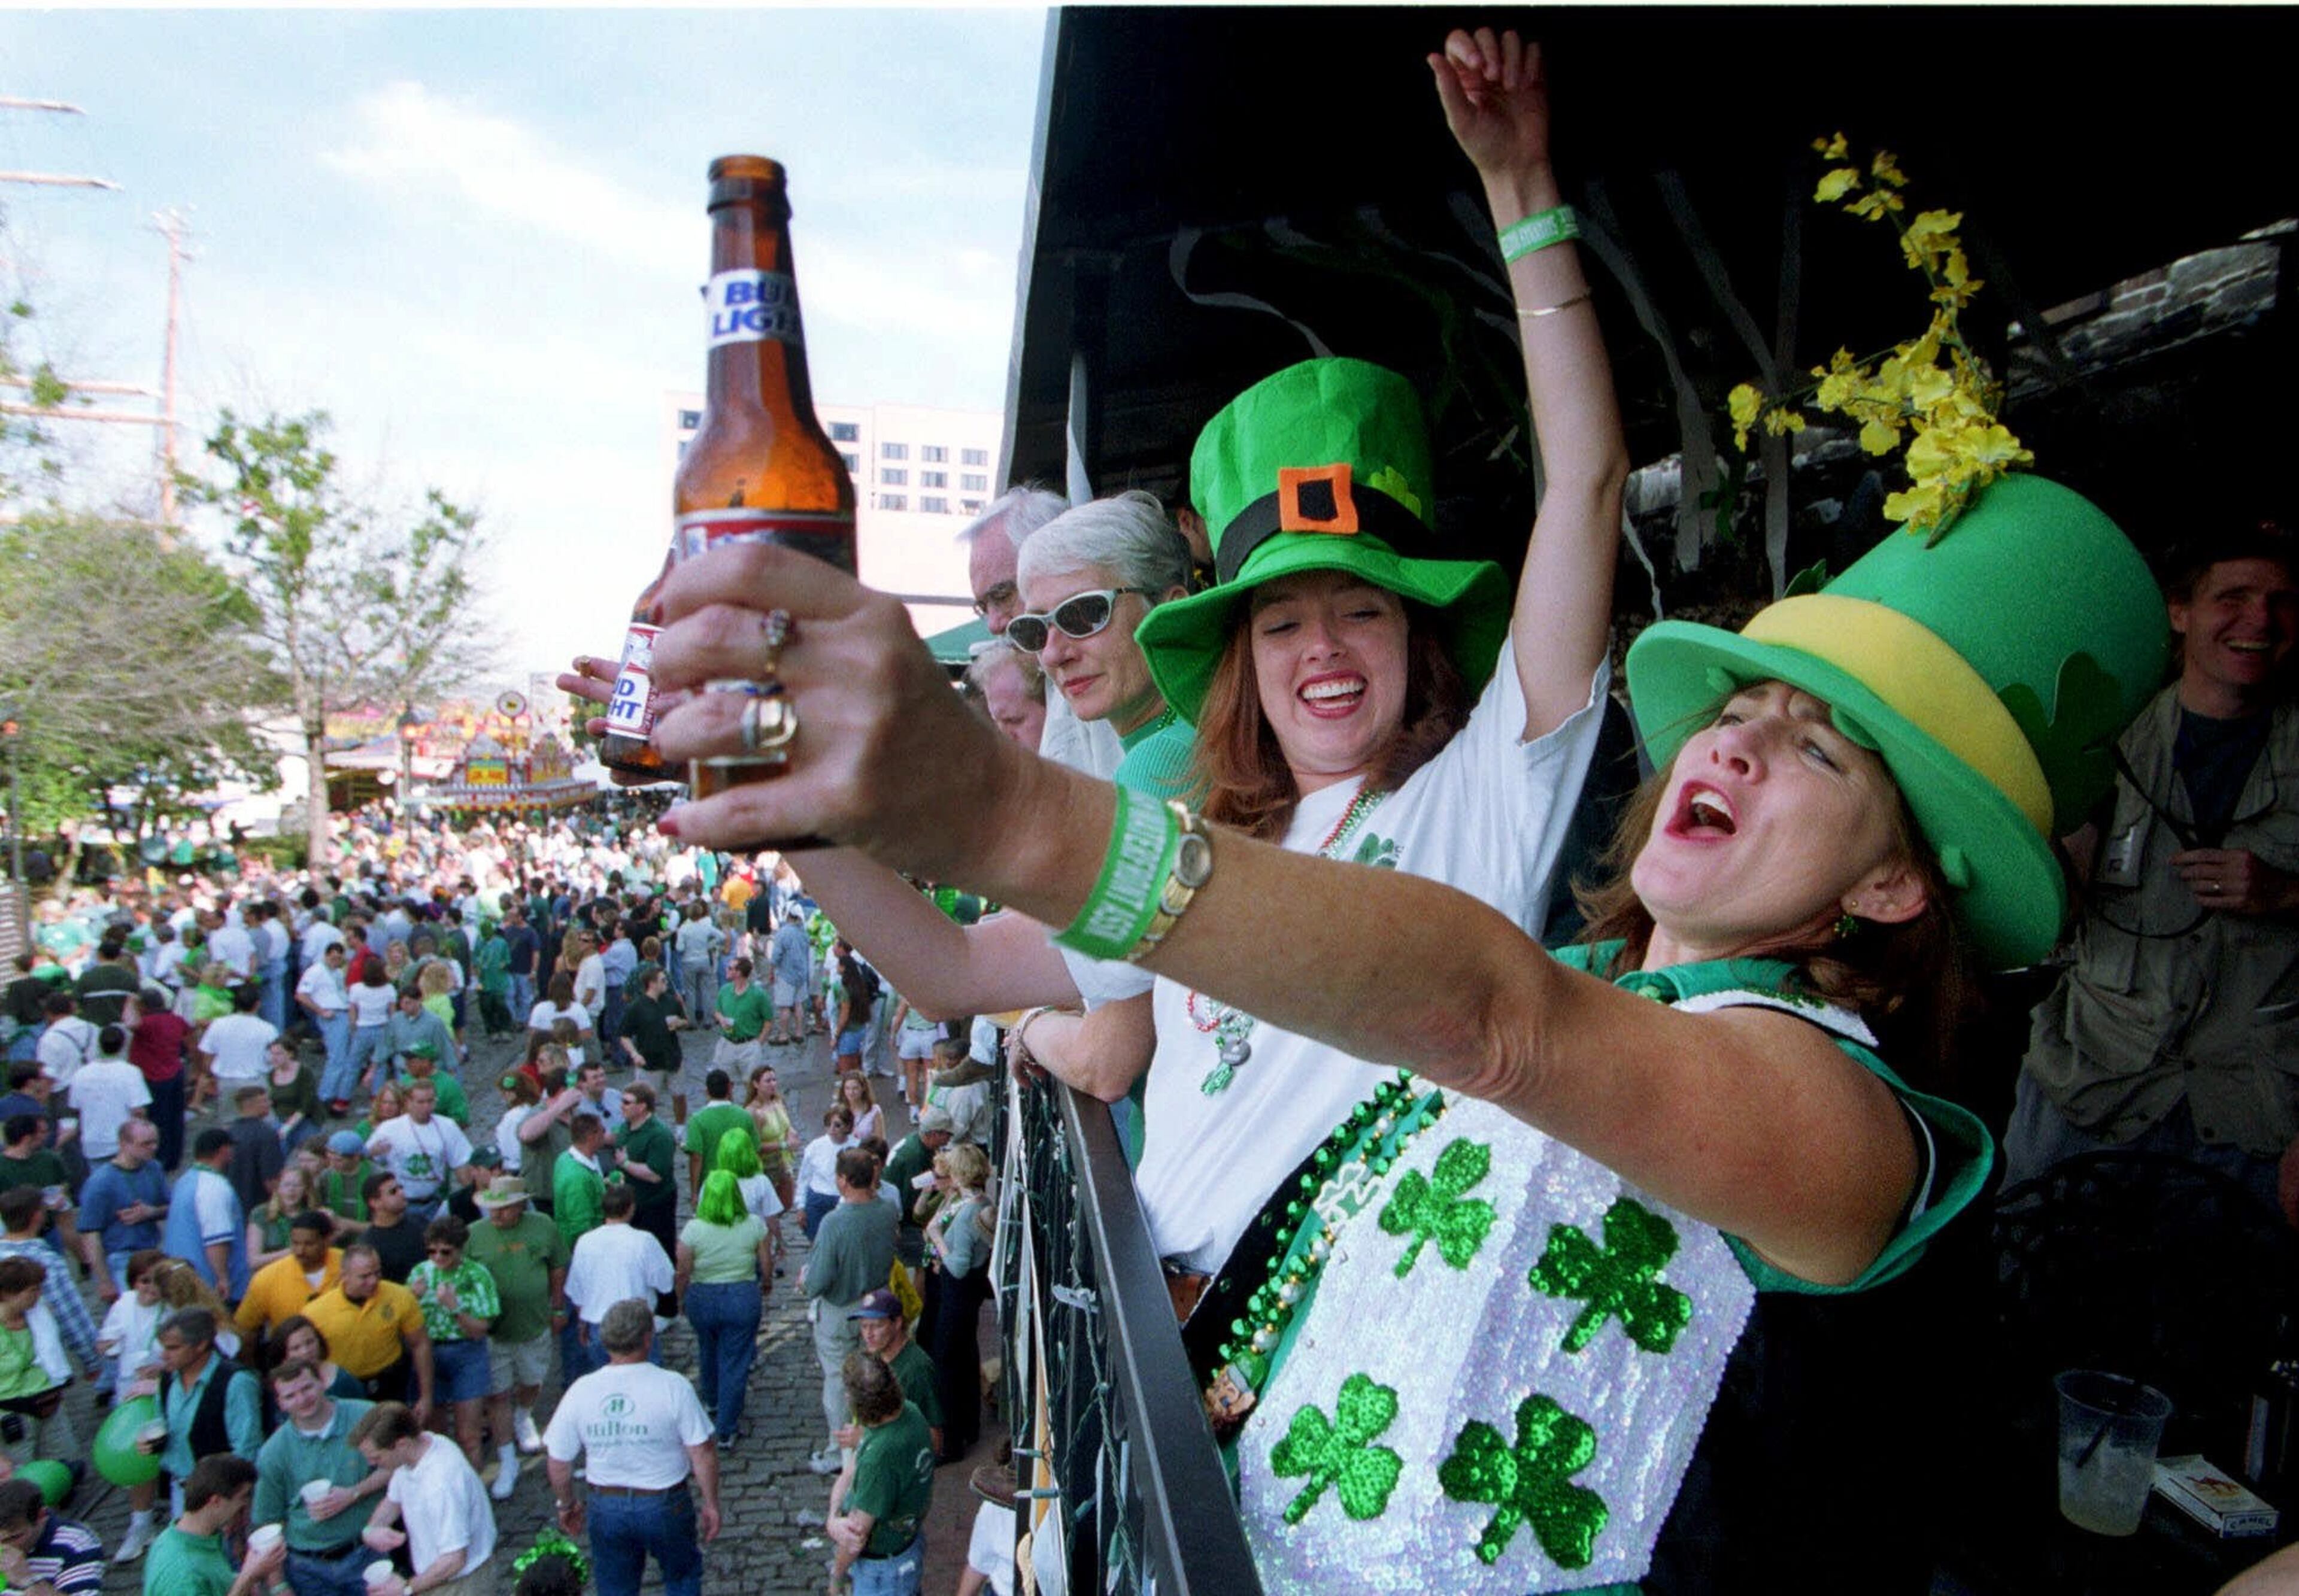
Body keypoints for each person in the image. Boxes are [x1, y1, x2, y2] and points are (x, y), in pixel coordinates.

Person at [623, 28, 2177, 1586]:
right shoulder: (1593, 976)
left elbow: (1490, 1012)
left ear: (1901, 888)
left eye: (1823, 754)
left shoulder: (1837, 1112)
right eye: (1746, 710)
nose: (1742, 749)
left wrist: (996, 810)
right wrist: (786, 806)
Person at [2010, 523, 2299, 1215]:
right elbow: (2057, 907)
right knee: (2041, 1285)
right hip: (2095, 1080)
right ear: (2180, 611)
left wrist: (2286, 892)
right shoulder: (2104, 738)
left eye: (2283, 601)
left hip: (2252, 1106)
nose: (2259, 620)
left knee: (2222, 1312)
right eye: (2233, 596)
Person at [542, 1297, 720, 1596]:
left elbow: (559, 1460)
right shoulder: (673, 1386)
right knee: (682, 1577)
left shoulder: (582, 1390)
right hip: (664, 1501)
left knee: (615, 1587)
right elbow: (701, 1451)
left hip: (606, 1504)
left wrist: (567, 1504)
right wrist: (711, 1502)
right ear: (648, 1338)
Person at [253, 1357, 387, 1596]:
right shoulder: (273, 1452)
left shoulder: (364, 1415)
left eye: (307, 1388)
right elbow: (268, 1522)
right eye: (290, 1396)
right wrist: (278, 1585)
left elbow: (399, 1466)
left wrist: (353, 1494)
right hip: (306, 1566)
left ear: (323, 1382)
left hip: (365, 1552)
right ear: (280, 1403)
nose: (302, 1400)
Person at [464, 1176, 565, 1491]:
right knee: (497, 1393)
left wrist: (558, 1307)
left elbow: (558, 1266)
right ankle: (507, 1458)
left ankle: (524, 1414)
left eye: (504, 1209)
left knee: (532, 1380)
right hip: (494, 1332)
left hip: (533, 1324)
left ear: (521, 1205)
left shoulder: (543, 1226)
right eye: (492, 1209)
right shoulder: (474, 1235)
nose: (496, 1215)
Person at [803, 1148, 898, 1476]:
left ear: (843, 1180)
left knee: (838, 1381)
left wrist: (806, 1281)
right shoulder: (887, 1211)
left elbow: (817, 1280)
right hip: (876, 1305)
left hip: (840, 1310)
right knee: (871, 1375)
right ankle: (870, 1435)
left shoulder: (834, 1223)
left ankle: (839, 1450)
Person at [352, 1400, 498, 1596]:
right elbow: (393, 1501)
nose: (372, 1464)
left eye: (377, 1458)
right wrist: (372, 1529)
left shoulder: (442, 1482)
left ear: (401, 1443)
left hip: (462, 1585)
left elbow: (454, 1560)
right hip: (437, 1578)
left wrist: (405, 1589)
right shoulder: (416, 1451)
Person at [826, 1351, 933, 1596]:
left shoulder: (879, 1459)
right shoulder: (910, 1412)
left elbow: (856, 1536)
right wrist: (833, 1516)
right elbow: (853, 1467)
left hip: (883, 1573)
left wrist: (837, 1578)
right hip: (907, 1549)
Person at [674, 1171, 768, 1447]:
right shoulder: (754, 1225)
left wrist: (680, 1299)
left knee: (707, 1348)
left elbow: (683, 1272)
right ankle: (726, 1427)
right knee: (735, 1361)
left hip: (703, 1296)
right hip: (741, 1296)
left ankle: (712, 1399)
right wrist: (767, 1284)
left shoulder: (693, 1229)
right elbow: (765, 1263)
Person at [405, 1215, 499, 1472]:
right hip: (428, 1353)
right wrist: (411, 1298)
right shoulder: (419, 1274)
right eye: (431, 1251)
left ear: (460, 1249)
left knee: (469, 1436)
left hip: (467, 1354)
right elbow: (404, 1321)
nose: (437, 1257)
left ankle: (474, 1490)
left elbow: (481, 1330)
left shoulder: (477, 1275)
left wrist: (455, 1308)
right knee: (436, 1437)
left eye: (445, 1252)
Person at [916, 1142, 991, 1463]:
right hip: (966, 1293)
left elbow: (958, 1266)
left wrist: (936, 1239)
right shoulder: (976, 1201)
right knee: (964, 1356)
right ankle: (969, 1426)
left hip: (958, 1292)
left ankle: (951, 1442)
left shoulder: (968, 1214)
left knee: (947, 1362)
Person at [302, 1243, 435, 1418]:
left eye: (377, 1273)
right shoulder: (316, 1312)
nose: (373, 1281)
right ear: (345, 1276)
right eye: (364, 1277)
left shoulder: (400, 1296)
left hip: (390, 1383)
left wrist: (426, 1397)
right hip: (343, 1388)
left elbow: (420, 1345)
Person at [561, 1184, 672, 1382]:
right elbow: (666, 1283)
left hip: (598, 1325)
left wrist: (581, 1324)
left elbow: (577, 1292)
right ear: (631, 1208)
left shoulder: (585, 1241)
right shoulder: (644, 1241)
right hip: (637, 1326)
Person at [151, 1307, 263, 1496]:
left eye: (173, 1348)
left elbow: (247, 1450)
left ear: (201, 1345)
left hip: (222, 1493)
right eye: (164, 1348)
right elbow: (163, 1423)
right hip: (180, 1488)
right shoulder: (168, 1379)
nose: (164, 1355)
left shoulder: (235, 1382)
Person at [141, 1454, 284, 1596]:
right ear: (216, 1501)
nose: (246, 1506)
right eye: (243, 1497)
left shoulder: (180, 1538)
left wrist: (236, 1581)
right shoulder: (184, 1576)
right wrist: (247, 1578)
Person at [841, 1287, 942, 1462]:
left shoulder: (917, 1369)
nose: (868, 1335)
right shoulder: (874, 1356)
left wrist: (866, 1439)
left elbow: (934, 1441)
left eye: (877, 1326)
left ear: (897, 1323)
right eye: (864, 1326)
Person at [75, 1116, 167, 1304]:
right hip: (120, 1259)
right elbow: (90, 1235)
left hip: (151, 1253)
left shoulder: (154, 1169)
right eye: (146, 1144)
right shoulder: (101, 1183)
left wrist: (152, 1212)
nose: (153, 1148)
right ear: (124, 1144)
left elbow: (170, 1207)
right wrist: (104, 1281)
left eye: (155, 1142)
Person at [366, 1079, 472, 1222]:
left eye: (430, 1101)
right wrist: (372, 1153)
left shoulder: (447, 1127)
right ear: (408, 1102)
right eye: (420, 1102)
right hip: (401, 1205)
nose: (426, 1107)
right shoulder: (389, 1129)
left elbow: (463, 1165)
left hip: (433, 1202)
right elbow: (366, 1162)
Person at [163, 1127, 250, 1301]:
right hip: (209, 1285)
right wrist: (223, 1278)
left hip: (184, 1278)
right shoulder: (214, 1187)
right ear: (224, 1151)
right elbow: (216, 1239)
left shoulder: (185, 1180)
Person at [607, 1082, 677, 1282]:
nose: (622, 1106)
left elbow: (655, 1174)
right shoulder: (625, 1128)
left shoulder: (659, 1134)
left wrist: (626, 1164)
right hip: (631, 1204)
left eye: (627, 1102)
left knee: (660, 1251)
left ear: (643, 1106)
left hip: (655, 1206)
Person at [234, 1209, 340, 1340]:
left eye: (309, 1244)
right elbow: (243, 1329)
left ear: (327, 1241)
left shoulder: (348, 1267)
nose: (300, 1251)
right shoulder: (267, 1279)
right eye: (296, 1244)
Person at [0, 1474, 103, 1595]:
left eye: (14, 1537)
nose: (4, 1546)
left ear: (41, 1516)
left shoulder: (77, 1545)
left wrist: (27, 1580)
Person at [125, 986, 190, 1171]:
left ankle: (158, 1159)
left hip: (152, 1077)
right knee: (175, 1119)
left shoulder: (147, 1024)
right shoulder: (176, 1020)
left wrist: (130, 1002)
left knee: (158, 1121)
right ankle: (173, 1158)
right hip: (175, 1072)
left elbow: (130, 1023)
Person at [882, 1107, 951, 1280]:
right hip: (906, 1224)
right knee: (919, 1266)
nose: (950, 1138)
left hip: (902, 1217)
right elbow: (912, 1204)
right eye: (947, 1134)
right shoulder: (915, 1156)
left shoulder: (917, 1144)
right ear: (934, 1134)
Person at [62, 1023, 148, 1164]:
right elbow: (138, 1110)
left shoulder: (81, 1074)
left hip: (92, 1142)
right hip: (123, 1142)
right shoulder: (131, 1072)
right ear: (123, 1045)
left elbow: (75, 1108)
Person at [298, 941, 354, 1112]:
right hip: (332, 1015)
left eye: (339, 957)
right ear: (327, 955)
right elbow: (301, 994)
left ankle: (334, 1093)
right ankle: (325, 1096)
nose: (336, 960)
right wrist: (321, 1011)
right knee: (337, 1058)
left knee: (342, 1057)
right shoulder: (315, 971)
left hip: (342, 1013)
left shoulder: (337, 972)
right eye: (333, 956)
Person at [681, 1069, 751, 1201]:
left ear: (707, 1091)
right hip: (740, 1183)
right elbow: (755, 1150)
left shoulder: (697, 1120)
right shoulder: (745, 1116)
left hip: (710, 1185)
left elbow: (696, 1158)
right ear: (730, 1088)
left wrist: (694, 1192)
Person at [195, 984, 275, 1097]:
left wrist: (210, 1076)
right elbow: (273, 1058)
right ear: (257, 1004)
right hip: (256, 1081)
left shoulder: (218, 1024)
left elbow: (208, 1055)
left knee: (228, 1113)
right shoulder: (268, 1029)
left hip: (225, 1082)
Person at [342, 954, 398, 1110]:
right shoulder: (389, 989)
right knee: (380, 1066)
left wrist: (353, 1027)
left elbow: (352, 1010)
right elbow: (392, 1013)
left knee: (353, 1065)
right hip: (382, 1028)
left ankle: (343, 1099)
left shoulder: (356, 988)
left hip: (362, 1028)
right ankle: (376, 1099)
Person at [356, 1171, 430, 1284]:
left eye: (400, 1188)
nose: (401, 1193)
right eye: (393, 1192)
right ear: (375, 1203)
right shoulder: (369, 1244)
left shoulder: (420, 1222)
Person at [797, 1105, 854, 1243]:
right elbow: (804, 1178)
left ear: (848, 1127)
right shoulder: (815, 1147)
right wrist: (801, 1206)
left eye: (837, 1125)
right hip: (818, 1200)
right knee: (817, 1242)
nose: (832, 1130)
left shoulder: (856, 1147)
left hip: (845, 1201)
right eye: (828, 1125)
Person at [615, 967, 686, 1080]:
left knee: (679, 1095)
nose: (666, 983)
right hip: (649, 1063)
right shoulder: (637, 1007)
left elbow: (685, 1021)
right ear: (652, 984)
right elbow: (624, 1036)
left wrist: (680, 1023)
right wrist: (635, 1055)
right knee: (648, 1096)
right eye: (663, 981)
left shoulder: (672, 1002)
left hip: (673, 1060)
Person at [671, 903, 724, 1031]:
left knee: (690, 991)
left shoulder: (684, 929)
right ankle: (708, 1019)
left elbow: (680, 948)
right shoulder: (706, 927)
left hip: (689, 961)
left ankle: (692, 1021)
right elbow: (721, 936)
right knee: (706, 989)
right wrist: (709, 946)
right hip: (704, 959)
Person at [711, 957, 769, 1070]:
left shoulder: (758, 995)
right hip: (727, 1044)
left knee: (751, 1082)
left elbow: (768, 1020)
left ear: (739, 973)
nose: (726, 970)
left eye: (730, 968)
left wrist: (759, 1043)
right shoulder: (724, 990)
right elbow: (717, 1012)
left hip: (749, 1045)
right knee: (723, 1082)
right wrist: (722, 1020)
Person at [766, 911, 811, 1046]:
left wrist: (771, 971)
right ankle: (799, 1032)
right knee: (798, 1004)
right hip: (801, 974)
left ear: (788, 916)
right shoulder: (804, 933)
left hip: (786, 973)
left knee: (784, 1007)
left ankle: (783, 1035)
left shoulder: (783, 932)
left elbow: (776, 955)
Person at [837, 1071, 884, 1146]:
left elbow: (880, 1141)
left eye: (855, 1088)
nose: (851, 1092)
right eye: (847, 1089)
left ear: (863, 1088)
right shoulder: (838, 1110)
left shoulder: (874, 1110)